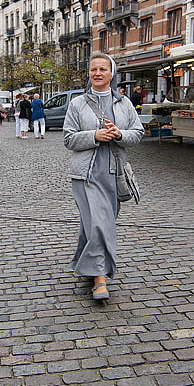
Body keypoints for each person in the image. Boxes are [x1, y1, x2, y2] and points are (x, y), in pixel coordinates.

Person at [63, 53, 143, 301]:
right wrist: (94, 136)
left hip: (114, 174)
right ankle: (99, 279)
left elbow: (138, 133)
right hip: (85, 174)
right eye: (93, 69)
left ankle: (83, 263)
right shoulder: (77, 104)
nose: (97, 73)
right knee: (98, 223)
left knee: (96, 223)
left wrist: (119, 134)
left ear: (112, 74)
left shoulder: (124, 104)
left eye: (103, 69)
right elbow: (68, 139)